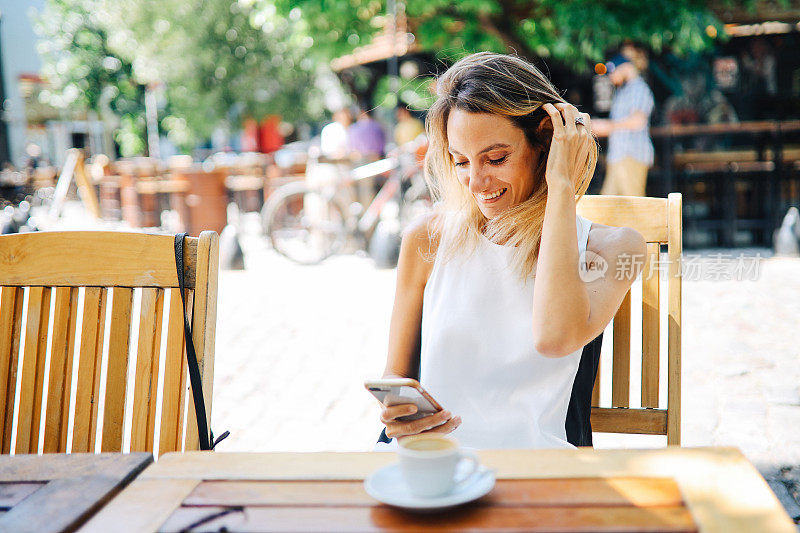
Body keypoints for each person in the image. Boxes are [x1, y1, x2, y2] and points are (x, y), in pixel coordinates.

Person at [377, 52, 646, 449]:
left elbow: (554, 338)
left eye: (496, 158)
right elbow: (396, 382)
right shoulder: (426, 240)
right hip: (433, 468)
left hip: (537, 474)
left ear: (545, 143)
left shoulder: (614, 248)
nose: (476, 182)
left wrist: (561, 186)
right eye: (461, 162)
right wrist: (397, 418)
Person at [592, 54, 655, 197]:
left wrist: (607, 126)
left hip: (631, 154)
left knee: (634, 205)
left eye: (613, 72)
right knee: (609, 205)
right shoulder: (623, 91)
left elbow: (638, 121)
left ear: (626, 67)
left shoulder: (639, 88)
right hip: (618, 155)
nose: (611, 77)